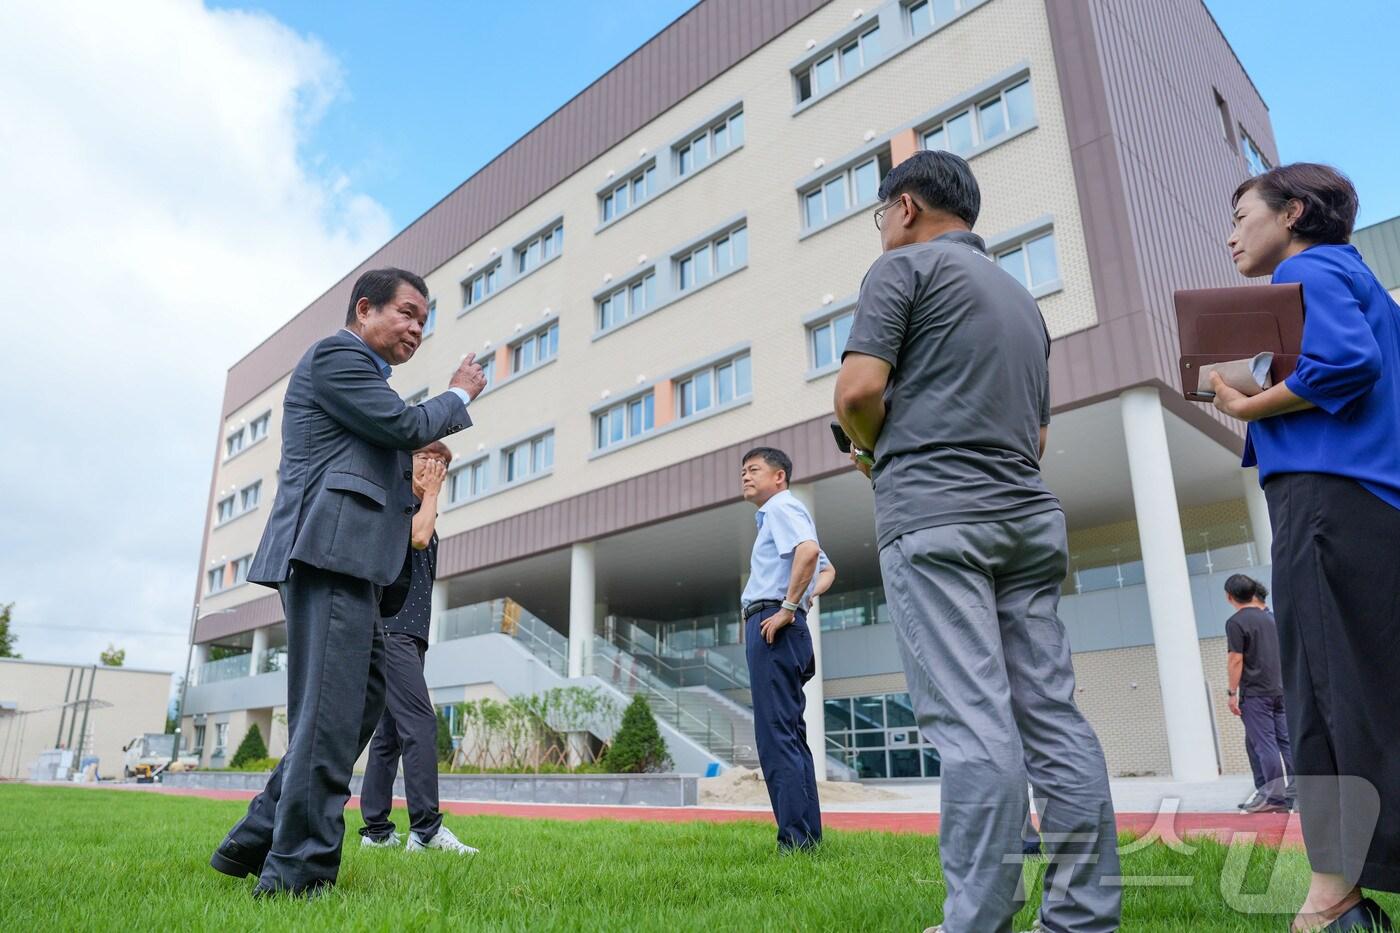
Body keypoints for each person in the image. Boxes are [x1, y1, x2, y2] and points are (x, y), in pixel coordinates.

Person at [834, 150, 1120, 933]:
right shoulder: (1023, 303)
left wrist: (871, 449)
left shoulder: (902, 270)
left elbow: (857, 391)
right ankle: (1084, 918)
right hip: (1026, 518)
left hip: (935, 517)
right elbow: (1035, 436)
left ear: (907, 208)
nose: (882, 228)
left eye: (880, 214)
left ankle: (979, 922)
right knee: (1051, 718)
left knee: (972, 724)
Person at [208, 268, 487, 897]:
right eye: (408, 313)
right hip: (328, 556)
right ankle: (297, 877)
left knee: (349, 710)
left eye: (425, 319)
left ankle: (251, 842)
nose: (419, 327)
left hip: (357, 568)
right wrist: (460, 395)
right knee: (329, 720)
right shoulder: (339, 356)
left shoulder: (365, 379)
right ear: (365, 309)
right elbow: (405, 427)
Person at [1212, 162, 1400, 931]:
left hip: (1326, 500)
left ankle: (1333, 894)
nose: (1230, 233)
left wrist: (1248, 401)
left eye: (1240, 214)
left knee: (1322, 688)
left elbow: (1349, 365)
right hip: (1362, 501)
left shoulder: (1312, 269)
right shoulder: (1351, 276)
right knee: (1365, 686)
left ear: (1292, 212)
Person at [358, 441, 477, 856]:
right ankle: (425, 832)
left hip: (409, 635)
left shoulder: (421, 509)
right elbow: (420, 539)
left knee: (389, 735)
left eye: (442, 462)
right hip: (391, 632)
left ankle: (375, 833)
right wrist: (429, 494)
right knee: (421, 724)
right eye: (425, 458)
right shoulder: (396, 505)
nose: (434, 467)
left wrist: (429, 499)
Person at [739, 447, 835, 851]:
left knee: (776, 736)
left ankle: (795, 842)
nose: (745, 477)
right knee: (790, 735)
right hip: (782, 626)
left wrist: (789, 607)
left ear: (779, 477)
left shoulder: (781, 507)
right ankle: (806, 840)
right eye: (742, 471)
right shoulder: (783, 513)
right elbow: (827, 569)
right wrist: (803, 597)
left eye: (753, 470)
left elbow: (810, 554)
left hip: (774, 627)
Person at [1222, 574, 1294, 814]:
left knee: (1265, 745)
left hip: (1255, 694)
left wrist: (1232, 692)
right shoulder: (1272, 618)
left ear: (1229, 597)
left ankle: (1274, 798)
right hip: (1280, 690)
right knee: (1285, 742)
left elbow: (1235, 660)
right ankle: (1297, 793)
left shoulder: (1236, 622)